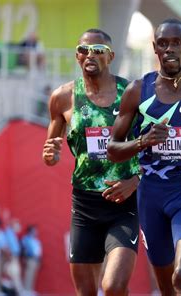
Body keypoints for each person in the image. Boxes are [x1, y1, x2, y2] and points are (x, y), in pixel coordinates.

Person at [107, 19, 181, 295]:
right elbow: (113, 149)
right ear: (155, 48)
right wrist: (142, 141)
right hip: (152, 195)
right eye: (163, 44)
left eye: (176, 43)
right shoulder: (137, 90)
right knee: (166, 284)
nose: (170, 49)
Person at [42, 28, 140, 295]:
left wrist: (135, 180)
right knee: (86, 292)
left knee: (113, 286)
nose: (90, 55)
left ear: (111, 57)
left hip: (124, 202)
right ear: (77, 56)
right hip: (85, 205)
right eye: (84, 50)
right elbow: (51, 150)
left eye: (99, 50)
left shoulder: (132, 93)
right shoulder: (63, 97)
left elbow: (152, 147)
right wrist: (50, 155)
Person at [21, 225, 42, 293]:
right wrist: (24, 258)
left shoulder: (35, 240)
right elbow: (24, 249)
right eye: (34, 230)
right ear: (30, 231)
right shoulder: (26, 239)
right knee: (28, 274)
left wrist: (39, 260)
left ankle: (30, 289)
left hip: (36, 259)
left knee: (33, 275)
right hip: (29, 258)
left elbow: (38, 251)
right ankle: (26, 290)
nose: (36, 232)